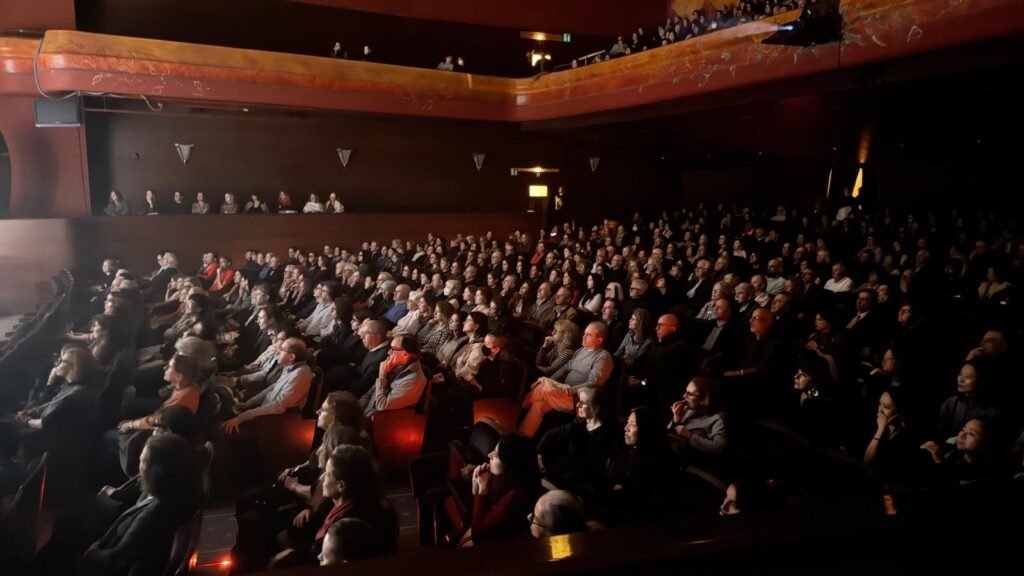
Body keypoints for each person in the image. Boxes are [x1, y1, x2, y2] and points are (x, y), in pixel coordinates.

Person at [81, 434, 202, 576]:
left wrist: (91, 553)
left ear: (158, 473)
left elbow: (116, 559)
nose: (139, 468)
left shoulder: (153, 518)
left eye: (144, 462)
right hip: (117, 536)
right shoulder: (175, 492)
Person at [468, 433, 541, 544]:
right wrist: (475, 486)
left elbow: (478, 536)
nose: (489, 455)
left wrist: (482, 490)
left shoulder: (515, 498)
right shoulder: (506, 482)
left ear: (511, 464)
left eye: (496, 455)